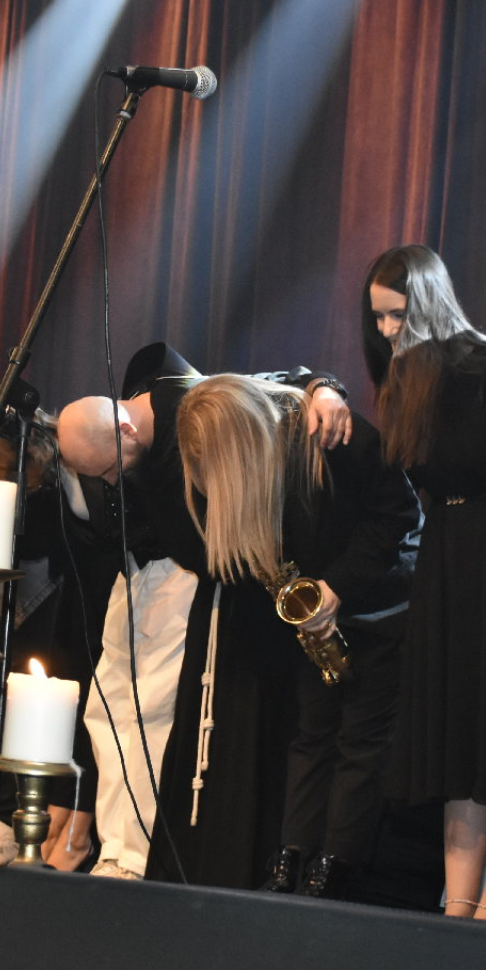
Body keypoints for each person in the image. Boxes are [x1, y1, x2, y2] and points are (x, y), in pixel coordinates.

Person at [54, 350, 355, 883]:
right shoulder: (130, 434)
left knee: (153, 712)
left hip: (189, 582)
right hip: (138, 575)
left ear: (124, 429)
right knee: (107, 709)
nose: (112, 480)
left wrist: (327, 387)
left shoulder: (197, 404)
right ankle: (114, 845)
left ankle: (138, 853)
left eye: (110, 467)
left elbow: (289, 382)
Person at [364, 244, 486, 921]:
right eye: (378, 318)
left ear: (428, 300)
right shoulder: (404, 378)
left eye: (397, 314)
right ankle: (460, 904)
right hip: (448, 555)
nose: (387, 330)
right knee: (459, 733)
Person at [173, 375, 419, 898]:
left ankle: (337, 863)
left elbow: (400, 512)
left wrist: (338, 588)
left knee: (360, 741)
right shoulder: (265, 443)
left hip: (380, 609)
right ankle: (292, 854)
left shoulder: (332, 435)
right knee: (311, 735)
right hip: (316, 618)